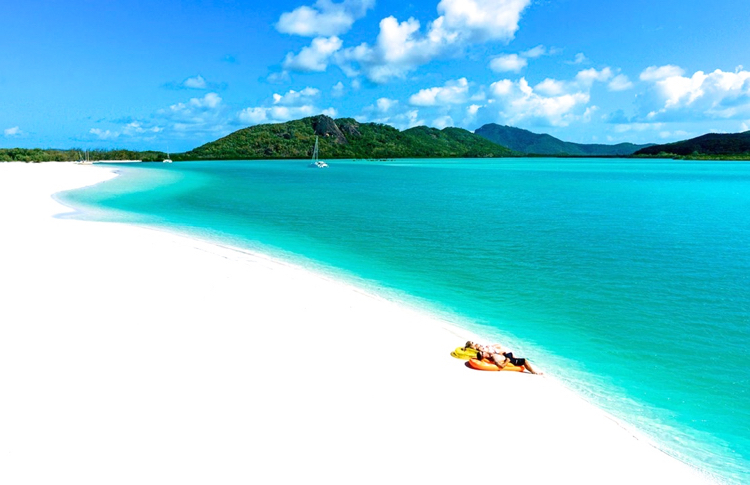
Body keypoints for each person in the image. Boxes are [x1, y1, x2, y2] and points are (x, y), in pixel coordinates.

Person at [476, 349, 543, 375]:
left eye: (482, 351)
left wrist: (502, 353)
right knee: (524, 360)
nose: (483, 351)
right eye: (482, 353)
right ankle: (534, 372)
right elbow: (501, 366)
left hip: (505, 356)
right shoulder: (493, 358)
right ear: (483, 356)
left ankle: (515, 358)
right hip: (508, 359)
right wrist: (507, 361)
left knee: (510, 352)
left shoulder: (489, 354)